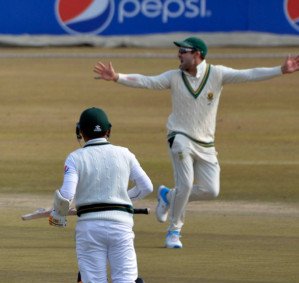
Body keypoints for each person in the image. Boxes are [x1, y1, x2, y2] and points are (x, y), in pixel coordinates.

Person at [93, 37, 299, 248]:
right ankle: (174, 231)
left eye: (183, 51)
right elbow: (148, 81)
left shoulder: (217, 74)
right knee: (185, 181)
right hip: (179, 137)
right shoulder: (174, 77)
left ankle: (167, 195)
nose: (178, 55)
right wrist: (118, 77)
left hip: (206, 143)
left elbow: (249, 74)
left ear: (197, 54)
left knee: (211, 190)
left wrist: (281, 70)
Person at [49, 107, 153, 283]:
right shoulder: (124, 153)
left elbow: (66, 195)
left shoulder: (75, 157)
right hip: (120, 226)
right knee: (125, 282)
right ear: (108, 130)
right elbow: (146, 187)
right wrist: (120, 199)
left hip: (89, 228)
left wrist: (58, 216)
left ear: (80, 133)